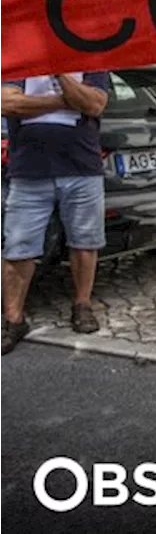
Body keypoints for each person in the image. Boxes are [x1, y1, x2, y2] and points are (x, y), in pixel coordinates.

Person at [0, 72, 111, 355]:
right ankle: (13, 319)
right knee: (17, 248)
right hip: (28, 171)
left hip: (82, 168)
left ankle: (82, 305)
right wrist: (65, 101)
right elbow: (7, 103)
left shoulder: (89, 57)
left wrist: (59, 73)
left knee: (85, 243)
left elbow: (95, 103)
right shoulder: (22, 59)